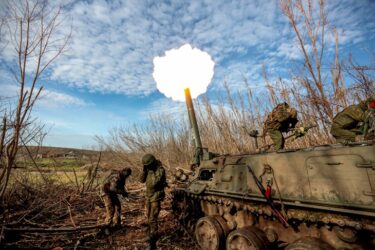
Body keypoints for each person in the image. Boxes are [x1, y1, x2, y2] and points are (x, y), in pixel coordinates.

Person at [140, 154, 167, 250]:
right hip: (148, 196)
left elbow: (154, 183)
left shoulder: (160, 169)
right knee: (148, 215)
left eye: (148, 165)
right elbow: (141, 180)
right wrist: (144, 170)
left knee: (153, 218)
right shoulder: (148, 169)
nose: (147, 167)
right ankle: (151, 235)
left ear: (152, 163)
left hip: (156, 196)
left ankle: (153, 243)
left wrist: (151, 171)